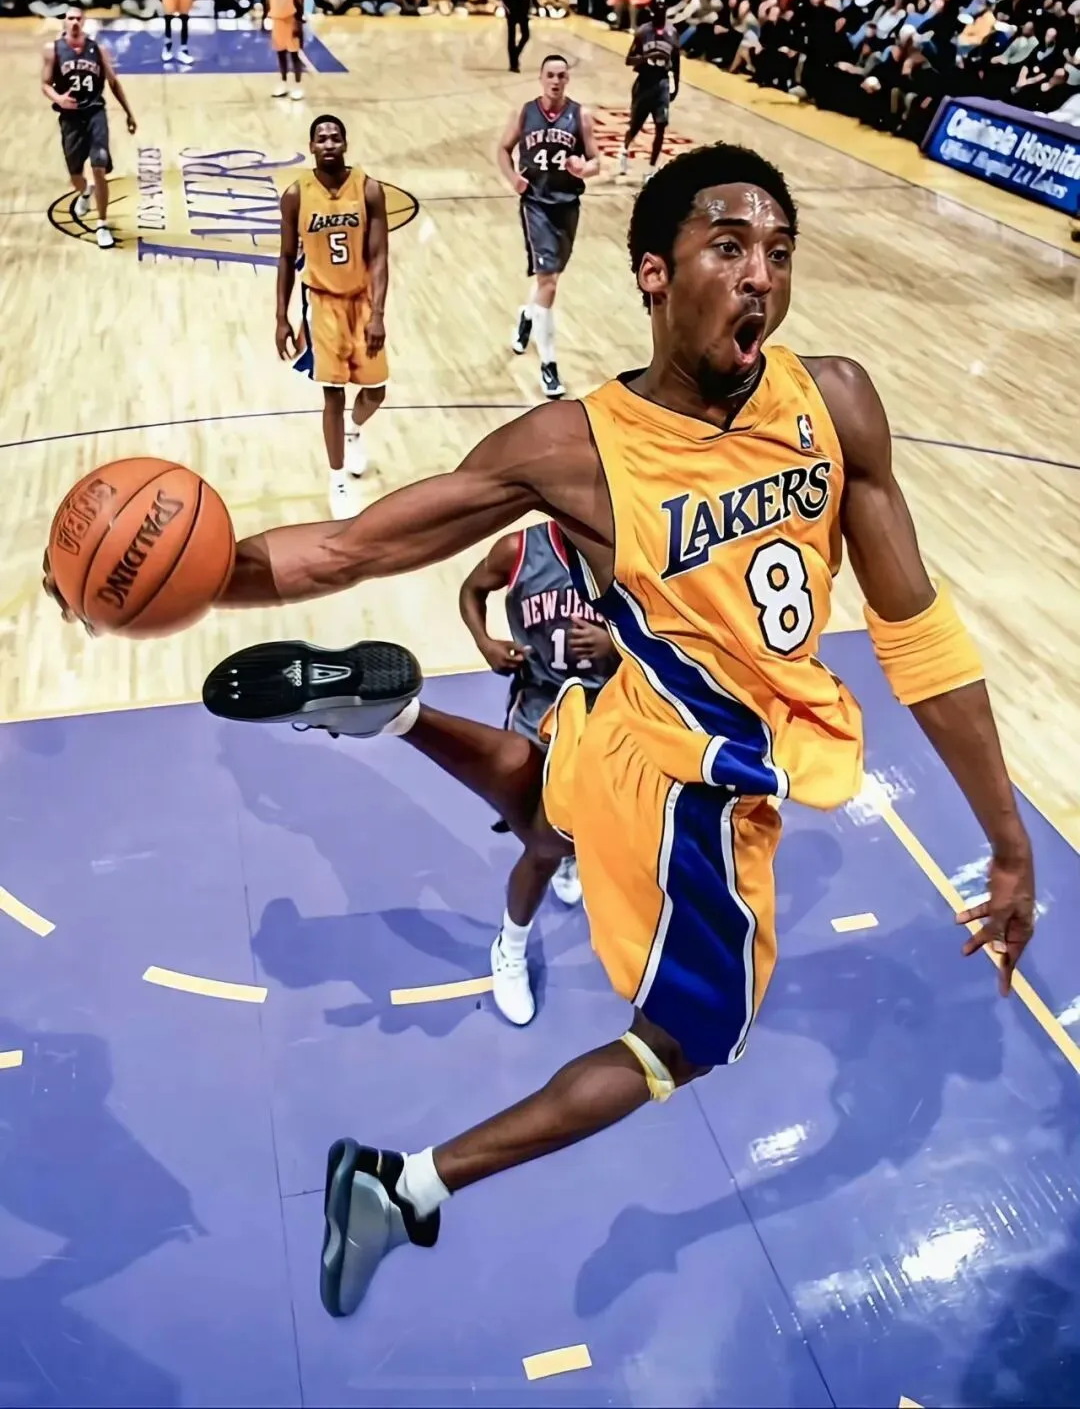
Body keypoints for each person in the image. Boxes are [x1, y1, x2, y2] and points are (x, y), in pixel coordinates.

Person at [198, 141, 1035, 1325]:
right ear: (652, 272)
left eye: (779, 251)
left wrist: (1007, 833)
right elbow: (346, 548)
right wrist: (191, 579)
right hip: (701, 780)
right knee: (685, 1041)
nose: (761, 275)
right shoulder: (576, 448)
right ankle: (402, 1184)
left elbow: (920, 637)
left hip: (612, 722)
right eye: (728, 248)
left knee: (547, 817)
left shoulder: (833, 402)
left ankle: (396, 713)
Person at [458, 523, 617, 1020]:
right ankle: (509, 949)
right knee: (543, 847)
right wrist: (485, 642)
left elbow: (677, 631)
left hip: (612, 714)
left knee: (594, 829)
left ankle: (574, 854)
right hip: (539, 714)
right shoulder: (518, 550)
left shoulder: (640, 545)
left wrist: (616, 644)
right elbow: (471, 590)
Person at [276, 115, 389, 519]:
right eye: (321, 138)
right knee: (333, 393)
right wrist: (282, 317)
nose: (328, 144)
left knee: (376, 391)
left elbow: (379, 256)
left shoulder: (368, 189)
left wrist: (378, 314)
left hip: (361, 299)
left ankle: (353, 431)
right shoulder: (296, 195)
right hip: (321, 303)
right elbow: (286, 257)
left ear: (345, 144)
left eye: (334, 137)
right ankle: (337, 478)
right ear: (311, 147)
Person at [496, 51, 600, 398]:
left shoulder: (580, 115)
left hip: (567, 205)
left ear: (567, 79)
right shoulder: (524, 113)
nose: (555, 81)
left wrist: (584, 169)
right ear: (541, 78)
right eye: (550, 75)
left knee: (550, 278)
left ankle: (528, 316)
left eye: (561, 75)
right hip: (536, 204)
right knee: (549, 282)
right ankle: (549, 366)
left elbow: (596, 160)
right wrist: (513, 178)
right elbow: (503, 149)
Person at [41, 4, 137, 250]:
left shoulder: (98, 49)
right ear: (64, 21)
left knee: (99, 166)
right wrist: (59, 98)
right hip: (70, 117)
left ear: (83, 22)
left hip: (95, 112)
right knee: (75, 176)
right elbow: (45, 84)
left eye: (78, 18)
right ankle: (85, 192)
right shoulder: (53, 50)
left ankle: (102, 224)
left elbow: (113, 83)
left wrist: (128, 113)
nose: (74, 22)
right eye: (70, 18)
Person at [618, 0, 681, 175]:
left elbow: (676, 62)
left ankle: (652, 169)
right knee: (636, 125)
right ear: (652, 11)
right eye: (657, 9)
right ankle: (624, 151)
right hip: (644, 82)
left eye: (662, 9)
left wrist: (676, 85)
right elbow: (629, 60)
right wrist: (645, 58)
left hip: (662, 83)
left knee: (661, 126)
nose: (660, 12)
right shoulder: (643, 32)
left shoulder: (673, 33)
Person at [266, 0, 305, 100]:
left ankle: (297, 86)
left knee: (294, 55)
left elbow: (299, 0)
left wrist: (298, 22)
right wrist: (265, 16)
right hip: (277, 19)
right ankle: (283, 83)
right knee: (280, 54)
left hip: (290, 20)